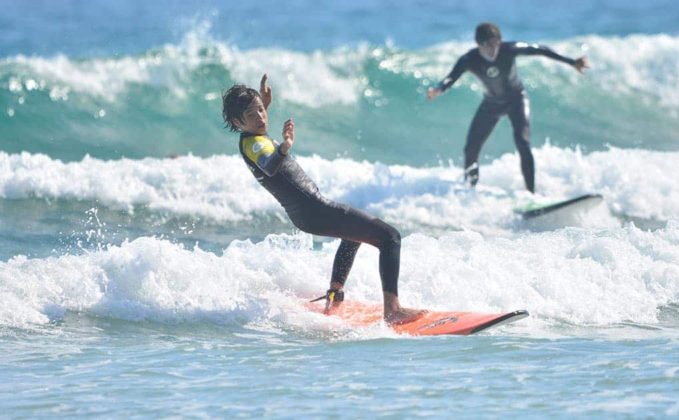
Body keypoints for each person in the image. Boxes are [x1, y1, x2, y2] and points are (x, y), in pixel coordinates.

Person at [222, 74, 423, 324]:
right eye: (252, 115)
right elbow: (269, 165)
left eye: (262, 110)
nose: (261, 117)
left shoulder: (250, 136)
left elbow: (257, 128)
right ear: (237, 122)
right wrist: (285, 146)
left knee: (352, 237)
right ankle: (393, 311)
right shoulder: (255, 146)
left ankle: (334, 293)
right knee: (389, 237)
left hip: (306, 214)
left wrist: (261, 102)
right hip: (315, 209)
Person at [427, 22, 589, 193]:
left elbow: (540, 49)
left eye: (496, 44)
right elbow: (451, 77)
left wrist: (571, 62)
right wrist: (438, 89)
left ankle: (531, 194)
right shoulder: (469, 59)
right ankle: (469, 191)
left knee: (523, 143)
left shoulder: (509, 49)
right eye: (488, 45)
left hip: (516, 100)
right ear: (478, 44)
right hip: (491, 104)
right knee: (471, 148)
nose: (493, 49)